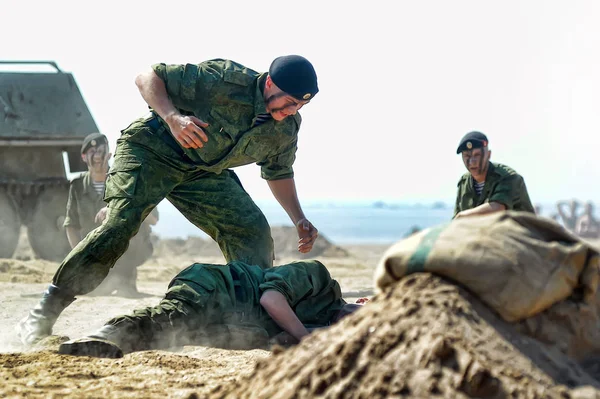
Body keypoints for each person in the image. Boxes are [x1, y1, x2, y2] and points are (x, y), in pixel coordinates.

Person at [18, 55, 321, 345]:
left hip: (201, 171)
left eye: (302, 105)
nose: (293, 109)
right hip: (151, 151)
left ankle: (249, 317)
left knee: (251, 230)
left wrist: (298, 218)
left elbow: (278, 171)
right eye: (290, 101)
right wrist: (173, 118)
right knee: (119, 225)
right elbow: (147, 77)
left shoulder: (285, 128)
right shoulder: (225, 79)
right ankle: (42, 314)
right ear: (269, 83)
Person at [57, 260, 363, 358]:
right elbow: (271, 299)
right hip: (220, 288)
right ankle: (105, 333)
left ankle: (102, 347)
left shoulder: (328, 325)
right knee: (171, 318)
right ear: (364, 302)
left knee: (169, 338)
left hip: (230, 322)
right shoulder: (319, 277)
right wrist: (304, 336)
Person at [64, 133, 159, 297]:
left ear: (109, 155)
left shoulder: (126, 179)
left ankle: (126, 280)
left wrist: (117, 208)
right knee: (92, 290)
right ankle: (109, 280)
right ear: (84, 157)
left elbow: (153, 219)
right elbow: (71, 225)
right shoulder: (78, 185)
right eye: (92, 152)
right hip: (96, 253)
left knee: (131, 224)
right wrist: (80, 258)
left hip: (130, 247)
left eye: (101, 151)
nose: (97, 156)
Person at [453, 131, 535, 219]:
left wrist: (462, 216)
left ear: (488, 155)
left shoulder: (507, 177)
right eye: (467, 156)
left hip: (520, 231)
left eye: (477, 155)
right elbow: (456, 219)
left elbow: (497, 208)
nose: (472, 162)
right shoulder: (464, 183)